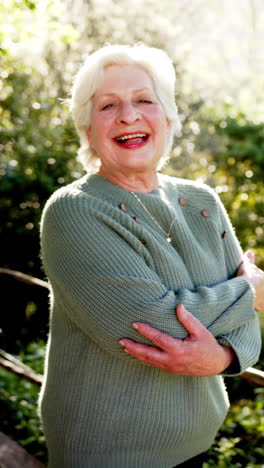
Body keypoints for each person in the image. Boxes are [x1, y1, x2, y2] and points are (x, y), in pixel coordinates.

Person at [39, 44, 263, 468]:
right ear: (87, 128)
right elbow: (151, 327)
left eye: (144, 100)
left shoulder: (202, 200)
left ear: (168, 117)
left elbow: (249, 325)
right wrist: (250, 289)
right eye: (108, 105)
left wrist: (223, 357)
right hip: (106, 454)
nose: (128, 115)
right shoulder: (74, 210)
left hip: (196, 444)